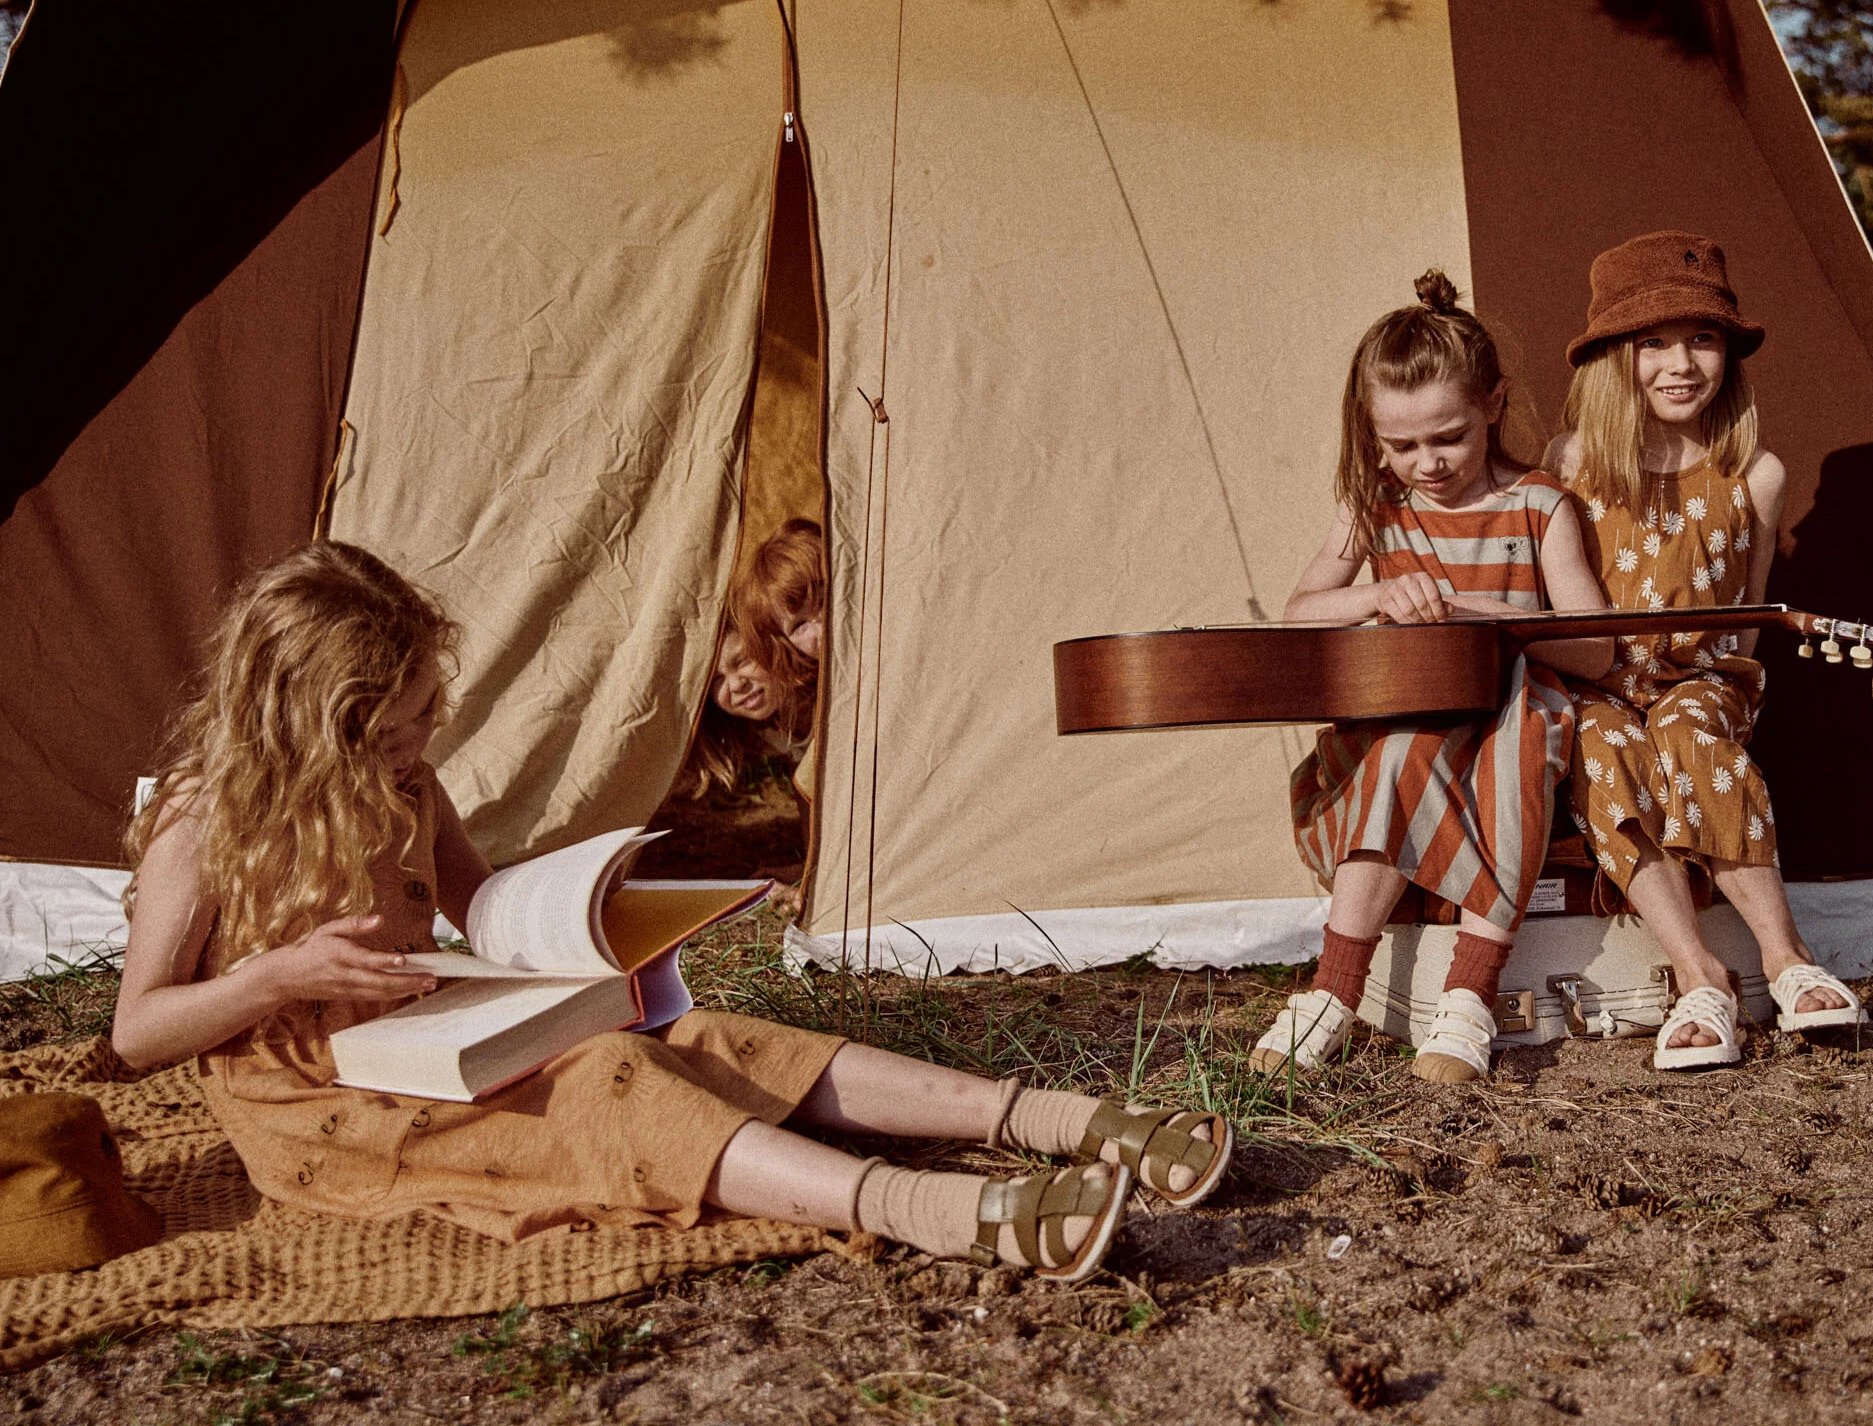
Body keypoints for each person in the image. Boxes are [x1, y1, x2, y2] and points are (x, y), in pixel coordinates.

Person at [109, 542, 1230, 1281]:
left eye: (427, 712)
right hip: (321, 1102)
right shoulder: (206, 823)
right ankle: (930, 1211)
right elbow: (137, 1029)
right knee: (613, 1084)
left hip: (435, 1035)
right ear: (311, 723)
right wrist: (279, 975)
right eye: (391, 730)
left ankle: (1066, 1120)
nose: (419, 744)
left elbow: (484, 907)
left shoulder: (410, 787)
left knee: (699, 1039)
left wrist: (595, 917)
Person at [1252, 271, 1613, 1086]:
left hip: (1508, 713)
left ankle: (1470, 993)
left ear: (1494, 404)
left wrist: (1476, 609)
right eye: (1402, 445)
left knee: (1516, 747)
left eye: (1447, 437)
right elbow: (1296, 614)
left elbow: (1595, 648)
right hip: (1410, 714)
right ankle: (1332, 991)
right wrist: (1375, 595)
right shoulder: (1375, 505)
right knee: (1398, 751)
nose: (1428, 463)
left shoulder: (1538, 505)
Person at [1545, 230, 1867, 1071]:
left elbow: (1747, 614)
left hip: (1703, 680)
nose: (1680, 364)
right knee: (1598, 747)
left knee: (1688, 731)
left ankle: (1786, 959)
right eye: (1652, 343)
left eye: (1702, 339)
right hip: (1602, 685)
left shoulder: (1754, 472)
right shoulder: (1573, 463)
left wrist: (1716, 691)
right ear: (1613, 358)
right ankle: (1700, 975)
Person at [684, 518, 824, 805]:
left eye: (743, 661)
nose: (737, 684)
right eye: (716, 680)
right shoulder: (768, 728)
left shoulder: (818, 692)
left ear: (770, 647)